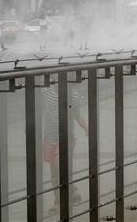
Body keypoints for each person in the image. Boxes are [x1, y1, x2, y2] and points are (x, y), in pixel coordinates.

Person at [42, 85, 88, 215]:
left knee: (58, 169)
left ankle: (59, 203)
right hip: (50, 139)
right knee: (54, 173)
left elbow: (76, 114)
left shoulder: (73, 95)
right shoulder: (46, 93)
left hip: (65, 138)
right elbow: (38, 110)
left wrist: (86, 128)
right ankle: (71, 191)